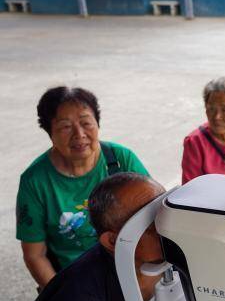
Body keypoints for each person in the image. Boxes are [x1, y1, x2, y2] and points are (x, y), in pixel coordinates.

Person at [26, 172, 166, 301]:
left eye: (166, 209)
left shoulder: (179, 257)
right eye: (149, 223)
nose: (167, 225)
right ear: (113, 241)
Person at [16, 86, 149, 289]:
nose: (79, 134)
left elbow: (154, 217)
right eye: (65, 127)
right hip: (75, 281)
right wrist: (62, 297)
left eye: (86, 123)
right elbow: (35, 255)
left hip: (132, 271)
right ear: (49, 132)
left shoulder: (121, 160)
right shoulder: (35, 181)